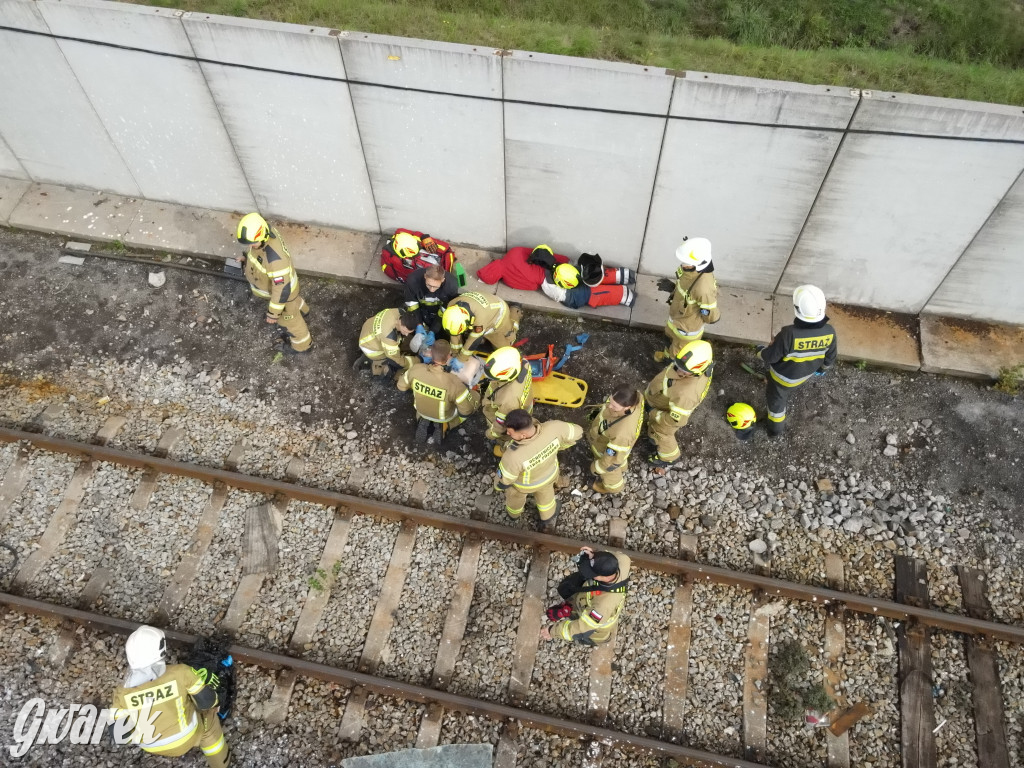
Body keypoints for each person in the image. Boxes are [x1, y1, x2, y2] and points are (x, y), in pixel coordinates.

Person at [110, 626, 230, 767]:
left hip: (151, 746)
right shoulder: (180, 673)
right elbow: (207, 702)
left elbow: (119, 735)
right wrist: (215, 702)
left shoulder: (122, 693)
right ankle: (221, 763)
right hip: (187, 738)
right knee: (209, 719)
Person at [756, 284, 838, 436]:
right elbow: (830, 357)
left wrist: (760, 352)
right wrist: (822, 369)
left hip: (782, 379)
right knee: (788, 389)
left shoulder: (789, 334)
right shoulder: (829, 332)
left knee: (776, 403)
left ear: (797, 309)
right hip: (805, 375)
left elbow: (771, 357)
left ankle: (775, 430)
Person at [494, 409, 581, 532]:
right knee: (546, 499)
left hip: (523, 486)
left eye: (510, 432)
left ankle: (513, 516)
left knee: (514, 498)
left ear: (523, 435)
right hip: (549, 476)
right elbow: (578, 432)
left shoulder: (513, 456)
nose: (507, 433)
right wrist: (559, 447)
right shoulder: (554, 427)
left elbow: (504, 481)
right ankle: (547, 518)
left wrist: (497, 486)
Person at [236, 213, 311, 354]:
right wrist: (246, 260)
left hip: (285, 296)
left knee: (290, 323)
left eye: (252, 243)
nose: (251, 246)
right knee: (294, 304)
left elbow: (282, 289)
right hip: (289, 294)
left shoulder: (275, 261)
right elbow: (259, 259)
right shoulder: (264, 236)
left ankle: (303, 346)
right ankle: (304, 310)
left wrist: (273, 314)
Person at [645, 339, 714, 469]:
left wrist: (654, 413)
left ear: (698, 371)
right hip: (662, 399)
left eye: (684, 370)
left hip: (665, 414)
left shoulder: (686, 395)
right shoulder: (693, 364)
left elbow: (675, 420)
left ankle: (669, 457)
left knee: (662, 433)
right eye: (678, 364)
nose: (678, 370)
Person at [541, 546, 630, 646]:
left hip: (595, 629)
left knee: (584, 635)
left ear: (605, 577)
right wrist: (595, 554)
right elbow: (607, 557)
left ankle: (597, 636)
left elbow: (581, 627)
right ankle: (571, 608)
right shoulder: (623, 560)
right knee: (567, 587)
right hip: (588, 597)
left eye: (592, 573)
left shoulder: (602, 607)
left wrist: (552, 631)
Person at [398, 339, 480, 443]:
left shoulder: (416, 369)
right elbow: (465, 411)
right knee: (475, 396)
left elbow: (401, 386)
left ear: (430, 353)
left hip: (421, 410)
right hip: (444, 416)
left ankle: (421, 418)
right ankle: (448, 425)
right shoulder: (454, 382)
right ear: (449, 356)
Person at [656, 236, 719, 362]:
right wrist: (673, 288)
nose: (683, 264)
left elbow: (711, 316)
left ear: (699, 263)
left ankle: (670, 367)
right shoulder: (689, 270)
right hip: (676, 319)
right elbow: (686, 291)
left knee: (678, 353)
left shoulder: (703, 287)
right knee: (669, 339)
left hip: (686, 329)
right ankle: (667, 355)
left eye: (686, 262)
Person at [587, 385, 645, 494]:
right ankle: (623, 467)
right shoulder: (636, 396)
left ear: (627, 407)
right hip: (621, 446)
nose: (609, 406)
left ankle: (611, 487)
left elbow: (613, 459)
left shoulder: (622, 433)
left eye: (614, 406)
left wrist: (597, 468)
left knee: (611, 469)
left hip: (610, 449)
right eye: (610, 401)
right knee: (622, 460)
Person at [481, 347, 534, 457]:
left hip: (510, 421)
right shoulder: (523, 363)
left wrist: (490, 434)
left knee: (507, 436)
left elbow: (501, 426)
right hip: (525, 406)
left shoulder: (508, 401)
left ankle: (503, 448)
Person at [441, 291, 521, 362]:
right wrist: (455, 354)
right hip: (486, 305)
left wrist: (461, 359)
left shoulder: (480, 319)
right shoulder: (451, 308)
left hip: (499, 314)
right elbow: (454, 334)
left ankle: (515, 310)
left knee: (505, 348)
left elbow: (473, 341)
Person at [540, 262, 636, 309]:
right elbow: (560, 294)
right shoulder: (548, 285)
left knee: (590, 274)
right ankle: (623, 292)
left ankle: (623, 283)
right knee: (589, 292)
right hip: (559, 286)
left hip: (555, 272)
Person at [476, 243, 570, 290]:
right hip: (554, 263)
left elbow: (533, 286)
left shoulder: (510, 280)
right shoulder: (514, 251)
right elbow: (535, 252)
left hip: (550, 278)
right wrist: (564, 259)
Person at [354, 308, 417, 377]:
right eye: (405, 331)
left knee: (399, 343)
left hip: (368, 329)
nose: (406, 334)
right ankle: (377, 368)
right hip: (369, 348)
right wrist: (415, 361)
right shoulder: (389, 337)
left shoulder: (399, 311)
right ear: (401, 324)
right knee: (391, 364)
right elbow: (396, 360)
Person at [380, 229, 458, 283]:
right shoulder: (395, 263)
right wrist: (446, 274)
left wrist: (424, 237)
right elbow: (447, 250)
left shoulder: (400, 236)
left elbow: (406, 233)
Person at [403, 264, 460, 334]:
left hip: (438, 312)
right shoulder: (413, 280)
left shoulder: (451, 286)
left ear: (443, 280)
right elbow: (411, 303)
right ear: (425, 276)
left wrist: (434, 329)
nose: (431, 290)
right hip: (421, 309)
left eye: (435, 287)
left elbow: (445, 308)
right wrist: (418, 324)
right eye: (429, 285)